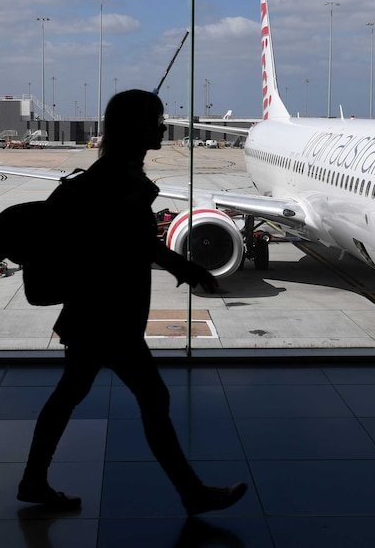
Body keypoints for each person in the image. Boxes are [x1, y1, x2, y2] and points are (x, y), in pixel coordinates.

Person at [17, 89, 248, 516]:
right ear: (134, 129)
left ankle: (34, 479)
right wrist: (186, 267)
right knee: (151, 398)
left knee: (71, 394)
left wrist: (182, 265)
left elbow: (132, 243)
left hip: (94, 313)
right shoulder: (120, 184)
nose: (162, 127)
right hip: (108, 317)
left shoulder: (110, 178)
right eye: (155, 120)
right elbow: (134, 243)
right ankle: (192, 493)